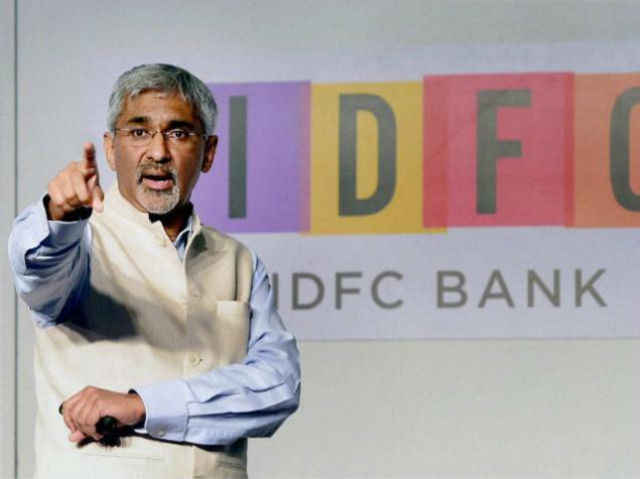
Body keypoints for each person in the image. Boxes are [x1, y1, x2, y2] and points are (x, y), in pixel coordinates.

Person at [8, 64, 300, 479]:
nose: (158, 152)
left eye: (178, 133)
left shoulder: (239, 261)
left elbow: (278, 386)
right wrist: (59, 215)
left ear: (209, 152)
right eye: (139, 132)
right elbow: (39, 270)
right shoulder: (80, 240)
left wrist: (142, 406)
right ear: (111, 150)